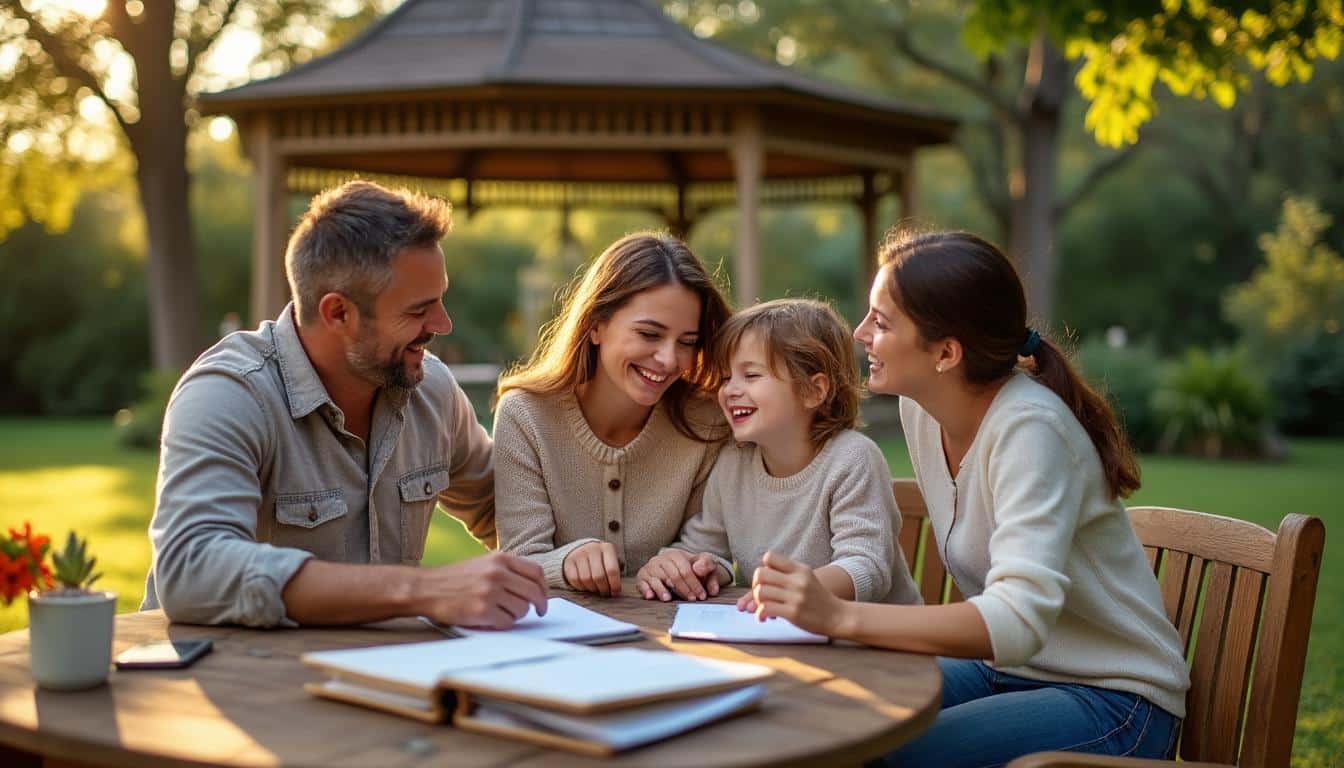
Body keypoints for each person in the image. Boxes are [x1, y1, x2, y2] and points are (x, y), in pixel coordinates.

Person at [750, 231, 1189, 766]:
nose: (861, 332)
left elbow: (1016, 622)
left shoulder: (1031, 429)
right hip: (1009, 670)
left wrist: (839, 617)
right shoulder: (923, 410)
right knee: (823, 709)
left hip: (1113, 698)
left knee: (887, 753)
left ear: (946, 353)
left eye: (882, 323)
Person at [142, 181, 548, 629]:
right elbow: (190, 568)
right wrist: (423, 591)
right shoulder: (230, 394)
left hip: (381, 679)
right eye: (418, 310)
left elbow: (512, 510)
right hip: (235, 682)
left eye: (440, 301)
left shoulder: (431, 390)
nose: (443, 324)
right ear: (338, 313)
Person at [636, 299, 921, 608]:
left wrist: (793, 590)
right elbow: (706, 547)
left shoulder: (852, 459)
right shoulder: (733, 463)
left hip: (878, 644)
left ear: (814, 391)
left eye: (752, 375)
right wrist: (689, 566)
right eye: (726, 377)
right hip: (784, 639)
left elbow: (868, 567)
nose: (730, 390)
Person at [494, 232, 732, 597]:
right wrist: (567, 561)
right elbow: (521, 560)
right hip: (560, 644)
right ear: (595, 325)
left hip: (679, 643)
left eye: (687, 342)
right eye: (649, 334)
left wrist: (688, 563)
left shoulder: (709, 421)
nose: (669, 360)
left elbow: (715, 548)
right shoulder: (525, 416)